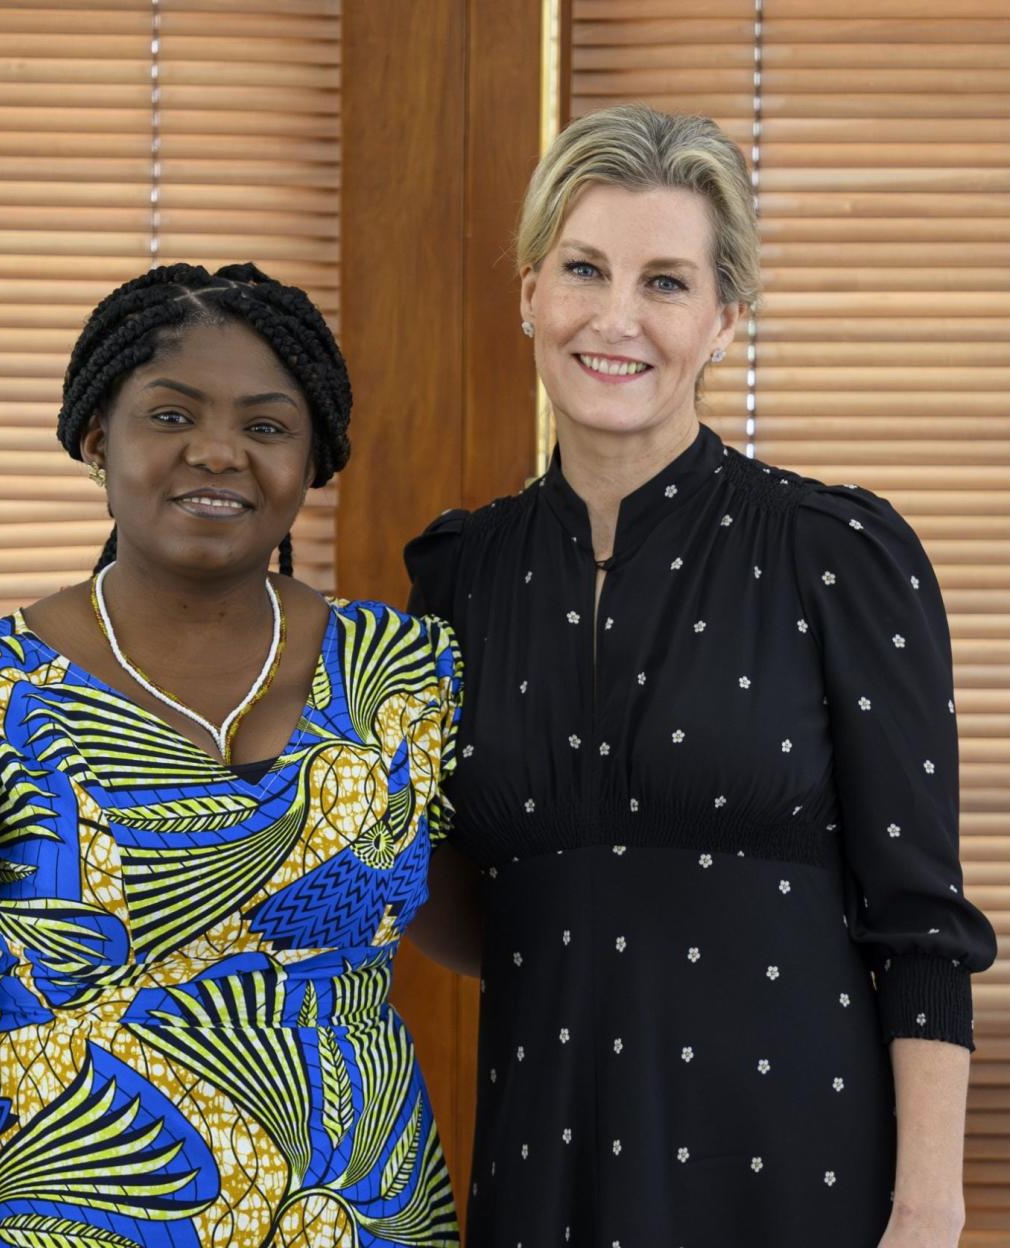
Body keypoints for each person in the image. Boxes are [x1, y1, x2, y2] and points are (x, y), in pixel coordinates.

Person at [405, 104, 997, 1248]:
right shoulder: (459, 575)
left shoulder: (838, 554)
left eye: (666, 283)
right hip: (542, 1172)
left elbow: (922, 925)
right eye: (584, 269)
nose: (616, 319)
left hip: (797, 1181)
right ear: (529, 290)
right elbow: (459, 894)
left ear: (725, 319)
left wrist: (928, 1211)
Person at [0, 262, 462, 1247]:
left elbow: (505, 922)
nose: (220, 452)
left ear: (315, 460)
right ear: (98, 438)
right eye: (172, 416)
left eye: (268, 427)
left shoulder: (411, 674)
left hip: (358, 1221)